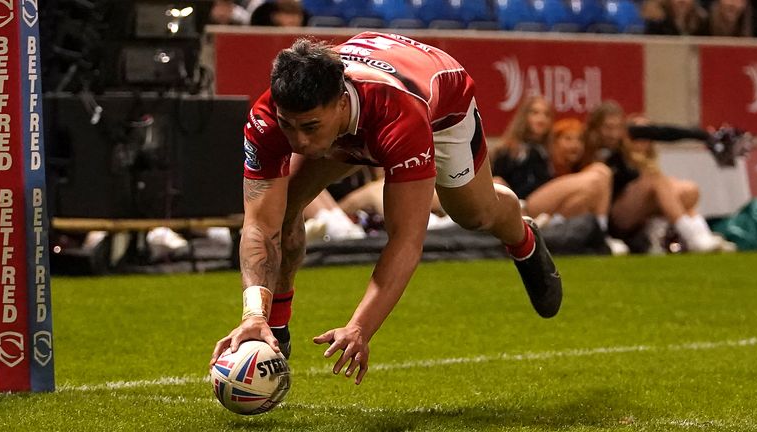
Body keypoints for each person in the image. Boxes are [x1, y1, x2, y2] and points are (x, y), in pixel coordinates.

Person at [209, 32, 563, 384]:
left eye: (309, 127)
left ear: (340, 104)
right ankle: (276, 332)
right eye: (289, 126)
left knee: (475, 214)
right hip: (360, 114)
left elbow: (406, 240)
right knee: (284, 211)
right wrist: (254, 313)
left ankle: (523, 236)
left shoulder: (399, 115)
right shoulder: (268, 117)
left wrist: (360, 327)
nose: (298, 141)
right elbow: (259, 225)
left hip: (438, 107)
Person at [581, 101, 730, 252]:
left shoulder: (626, 137)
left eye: (617, 127)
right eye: (608, 128)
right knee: (655, 179)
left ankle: (702, 236)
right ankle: (693, 238)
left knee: (688, 191)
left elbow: (665, 132)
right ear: (596, 128)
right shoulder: (587, 146)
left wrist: (705, 136)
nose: (613, 133)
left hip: (633, 213)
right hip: (612, 218)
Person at [490, 99, 624, 253]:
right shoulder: (509, 149)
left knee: (586, 194)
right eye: (535, 113)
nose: (541, 118)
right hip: (525, 205)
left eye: (546, 114)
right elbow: (496, 182)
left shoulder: (549, 150)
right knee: (600, 173)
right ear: (523, 117)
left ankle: (559, 230)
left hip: (546, 205)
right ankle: (601, 236)